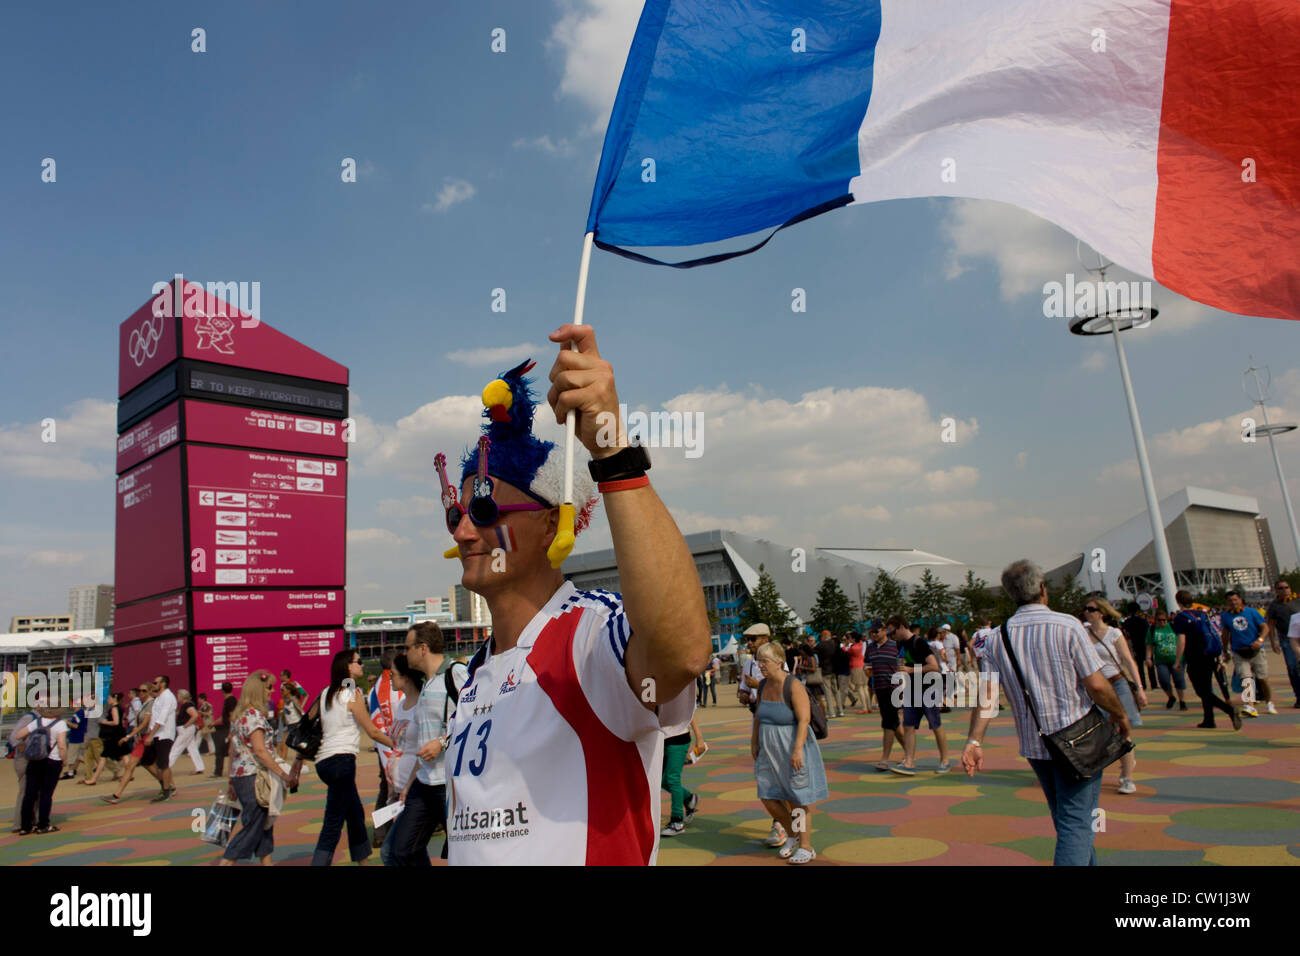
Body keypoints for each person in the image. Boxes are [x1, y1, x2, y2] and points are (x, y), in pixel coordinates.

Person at [437, 336, 709, 865]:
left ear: (548, 524)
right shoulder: (469, 675)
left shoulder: (590, 635)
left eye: (487, 509)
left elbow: (682, 652)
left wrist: (611, 452)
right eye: (456, 514)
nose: (466, 531)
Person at [962, 560, 1130, 866]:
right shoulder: (1067, 626)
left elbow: (987, 695)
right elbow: (1096, 684)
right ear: (1042, 589)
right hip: (1078, 737)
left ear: (1011, 595)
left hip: (1036, 744)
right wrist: (1119, 713)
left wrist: (974, 741)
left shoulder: (996, 638)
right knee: (1076, 824)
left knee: (1069, 821)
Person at [384, 624, 467, 866]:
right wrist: (409, 783)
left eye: (408, 647)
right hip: (424, 781)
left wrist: (441, 743)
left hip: (448, 783)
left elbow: (477, 717)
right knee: (401, 850)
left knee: (463, 853)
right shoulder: (427, 684)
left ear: (422, 649)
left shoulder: (455, 674)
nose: (405, 653)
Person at [309, 648, 393, 866]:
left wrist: (297, 764)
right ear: (347, 666)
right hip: (341, 761)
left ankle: (363, 862)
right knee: (333, 822)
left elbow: (307, 724)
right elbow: (372, 731)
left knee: (355, 814)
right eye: (359, 661)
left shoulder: (326, 693)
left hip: (324, 762)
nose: (362, 666)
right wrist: (399, 745)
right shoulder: (351, 693)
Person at [751, 642, 827, 864]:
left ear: (779, 662)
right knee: (768, 796)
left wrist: (797, 751)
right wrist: (754, 741)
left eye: (764, 661)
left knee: (797, 798)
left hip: (792, 744)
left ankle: (806, 846)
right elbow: (758, 716)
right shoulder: (763, 685)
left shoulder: (793, 685)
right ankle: (792, 835)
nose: (760, 666)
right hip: (768, 747)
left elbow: (804, 719)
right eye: (759, 661)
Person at [219, 670, 302, 866]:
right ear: (258, 691)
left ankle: (267, 862)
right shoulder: (254, 715)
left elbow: (233, 751)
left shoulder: (240, 716)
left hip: (241, 776)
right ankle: (227, 861)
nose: (272, 691)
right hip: (254, 777)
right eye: (269, 688)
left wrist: (231, 781)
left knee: (264, 823)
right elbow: (261, 750)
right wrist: (284, 774)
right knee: (255, 824)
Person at [1082, 597, 1147, 794]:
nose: (1087, 611)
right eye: (1085, 608)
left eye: (1091, 609)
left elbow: (1128, 660)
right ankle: (1094, 771)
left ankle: (1127, 777)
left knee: (1123, 731)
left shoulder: (1113, 633)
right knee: (1098, 732)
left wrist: (1140, 688)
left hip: (1117, 684)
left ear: (1102, 612)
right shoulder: (1083, 633)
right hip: (1096, 687)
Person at [1171, 590, 1241, 730]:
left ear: (1178, 602)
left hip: (1195, 657)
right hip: (1209, 655)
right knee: (1206, 688)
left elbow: (1181, 641)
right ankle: (1209, 719)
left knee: (1202, 691)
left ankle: (1229, 710)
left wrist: (1178, 660)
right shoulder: (1202, 615)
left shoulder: (1180, 618)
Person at [378, 652, 423, 865]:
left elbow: (423, 749)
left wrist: (407, 787)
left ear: (406, 677)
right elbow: (398, 746)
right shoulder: (402, 705)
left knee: (391, 852)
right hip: (399, 791)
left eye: (393, 674)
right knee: (412, 851)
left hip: (415, 790)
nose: (389, 678)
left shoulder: (422, 705)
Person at [887, 617, 948, 774]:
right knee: (908, 726)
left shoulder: (919, 642)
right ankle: (909, 761)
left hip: (927, 689)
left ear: (901, 627)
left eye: (893, 632)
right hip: (910, 690)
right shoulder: (900, 644)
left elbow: (934, 666)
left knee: (936, 725)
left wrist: (911, 670)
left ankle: (944, 760)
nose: (892, 636)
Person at [12, 700, 70, 834]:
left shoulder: (37, 722)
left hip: (34, 760)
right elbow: (61, 745)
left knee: (29, 794)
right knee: (46, 794)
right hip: (52, 761)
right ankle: (43, 824)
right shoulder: (60, 724)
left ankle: (25, 826)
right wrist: (64, 760)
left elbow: (18, 735)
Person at [366, 648, 403, 847]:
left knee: (386, 789)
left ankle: (381, 832)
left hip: (386, 748)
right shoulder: (400, 684)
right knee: (392, 789)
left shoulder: (375, 691)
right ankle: (383, 831)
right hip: (396, 747)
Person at [1220, 590, 1275, 716]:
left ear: (1240, 600)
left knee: (1263, 679)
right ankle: (1250, 706)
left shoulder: (1251, 612)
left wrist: (1260, 640)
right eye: (1230, 601)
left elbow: (1265, 627)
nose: (1233, 603)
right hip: (1239, 651)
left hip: (1256, 650)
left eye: (1235, 600)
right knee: (1246, 678)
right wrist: (1225, 650)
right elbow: (1225, 634)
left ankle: (1269, 702)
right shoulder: (1225, 616)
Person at [100, 683, 156, 804]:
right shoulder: (143, 704)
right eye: (140, 691)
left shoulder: (151, 704)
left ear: (150, 691)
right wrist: (135, 735)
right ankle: (116, 795)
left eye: (144, 691)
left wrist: (129, 735)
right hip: (141, 738)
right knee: (132, 765)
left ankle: (167, 784)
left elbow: (144, 723)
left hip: (149, 737)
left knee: (151, 765)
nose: (141, 693)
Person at [864, 624, 905, 770]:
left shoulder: (896, 646)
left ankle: (885, 759)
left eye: (876, 631)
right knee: (894, 722)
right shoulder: (870, 648)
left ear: (884, 631)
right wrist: (868, 672)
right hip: (879, 688)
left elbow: (903, 665)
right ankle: (909, 752)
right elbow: (867, 667)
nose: (874, 634)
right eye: (871, 632)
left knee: (888, 723)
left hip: (894, 688)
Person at [661, 712, 706, 837]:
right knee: (661, 780)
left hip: (678, 738)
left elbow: (691, 711)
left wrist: (699, 738)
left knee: (672, 779)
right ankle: (689, 798)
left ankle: (677, 821)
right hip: (661, 738)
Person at [1264, 579, 1300, 708]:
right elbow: (1271, 625)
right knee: (1293, 667)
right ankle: (1299, 696)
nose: (1284, 590)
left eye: (1286, 587)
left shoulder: (1298, 600)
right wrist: (1273, 643)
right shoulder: (1274, 606)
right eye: (1281, 588)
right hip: (1287, 639)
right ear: (1276, 591)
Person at [79, 692, 125, 785]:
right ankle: (88, 777)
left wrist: (113, 723)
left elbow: (103, 721)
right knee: (88, 759)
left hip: (96, 739)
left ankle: (116, 770)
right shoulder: (90, 711)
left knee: (101, 758)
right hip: (91, 738)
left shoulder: (96, 711)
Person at [1148, 609, 1187, 710]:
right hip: (1161, 661)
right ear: (1155, 620)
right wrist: (1148, 657)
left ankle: (1182, 701)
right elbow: (1149, 645)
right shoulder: (1152, 629)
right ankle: (1171, 696)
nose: (1162, 622)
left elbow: (1182, 640)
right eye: (1159, 620)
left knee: (1179, 680)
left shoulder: (1173, 627)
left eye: (1164, 620)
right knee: (1163, 680)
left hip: (1176, 658)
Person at [7, 708, 37, 832]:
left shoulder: (42, 718)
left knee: (35, 791)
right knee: (25, 791)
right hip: (25, 759)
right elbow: (14, 737)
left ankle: (31, 818)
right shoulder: (30, 718)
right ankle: (19, 823)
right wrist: (23, 748)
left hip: (33, 759)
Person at [1121, 603, 1155, 692]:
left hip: (1135, 645)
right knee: (1150, 664)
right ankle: (1153, 683)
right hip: (1145, 644)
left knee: (1139, 667)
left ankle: (1142, 684)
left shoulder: (1127, 622)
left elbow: (1126, 634)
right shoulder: (1143, 621)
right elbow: (1148, 632)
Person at [172, 690, 206, 774]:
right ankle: (199, 767)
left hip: (186, 729)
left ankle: (166, 767)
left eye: (178, 696)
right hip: (186, 729)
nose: (177, 698)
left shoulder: (187, 705)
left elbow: (195, 715)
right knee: (192, 748)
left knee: (176, 747)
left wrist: (186, 725)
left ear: (182, 697)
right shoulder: (186, 705)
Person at [276, 669, 306, 761]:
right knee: (285, 743)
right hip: (289, 725)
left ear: (288, 691)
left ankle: (302, 763)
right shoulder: (285, 701)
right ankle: (282, 761)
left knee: (297, 745)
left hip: (296, 724)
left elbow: (301, 712)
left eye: (283, 690)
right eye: (281, 690)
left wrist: (304, 723)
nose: (281, 691)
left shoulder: (294, 699)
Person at [815, 631, 843, 718]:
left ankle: (831, 712)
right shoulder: (835, 644)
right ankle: (840, 710)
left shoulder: (821, 645)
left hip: (825, 670)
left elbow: (812, 651)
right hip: (835, 670)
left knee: (828, 692)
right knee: (836, 691)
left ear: (823, 636)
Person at [212, 681, 236, 777]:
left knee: (220, 750)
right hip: (227, 728)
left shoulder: (230, 701)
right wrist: (213, 723)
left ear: (222, 691)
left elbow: (231, 716)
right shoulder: (230, 700)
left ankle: (218, 772)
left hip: (227, 729)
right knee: (224, 751)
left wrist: (231, 731)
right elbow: (224, 716)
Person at [846, 631, 871, 713]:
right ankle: (868, 707)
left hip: (856, 668)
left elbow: (847, 651)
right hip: (863, 666)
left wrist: (845, 646)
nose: (849, 639)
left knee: (860, 688)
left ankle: (864, 708)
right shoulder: (861, 644)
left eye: (850, 638)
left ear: (853, 639)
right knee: (865, 687)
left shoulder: (853, 648)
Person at [61, 701, 87, 780]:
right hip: (81, 736)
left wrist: (67, 722)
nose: (70, 706)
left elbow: (75, 726)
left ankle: (71, 772)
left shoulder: (78, 713)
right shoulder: (82, 712)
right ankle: (73, 770)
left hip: (76, 737)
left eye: (71, 704)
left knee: (72, 756)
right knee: (78, 756)